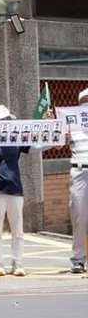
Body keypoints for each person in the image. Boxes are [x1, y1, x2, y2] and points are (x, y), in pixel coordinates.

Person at [0, 105, 29, 277]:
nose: (3, 123)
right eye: (0, 121)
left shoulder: (16, 138)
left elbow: (36, 146)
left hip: (15, 187)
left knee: (17, 228)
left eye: (6, 120)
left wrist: (53, 133)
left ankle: (17, 263)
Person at [68, 87, 88, 274]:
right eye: (85, 102)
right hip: (80, 172)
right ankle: (78, 259)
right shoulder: (71, 125)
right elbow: (51, 142)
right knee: (80, 217)